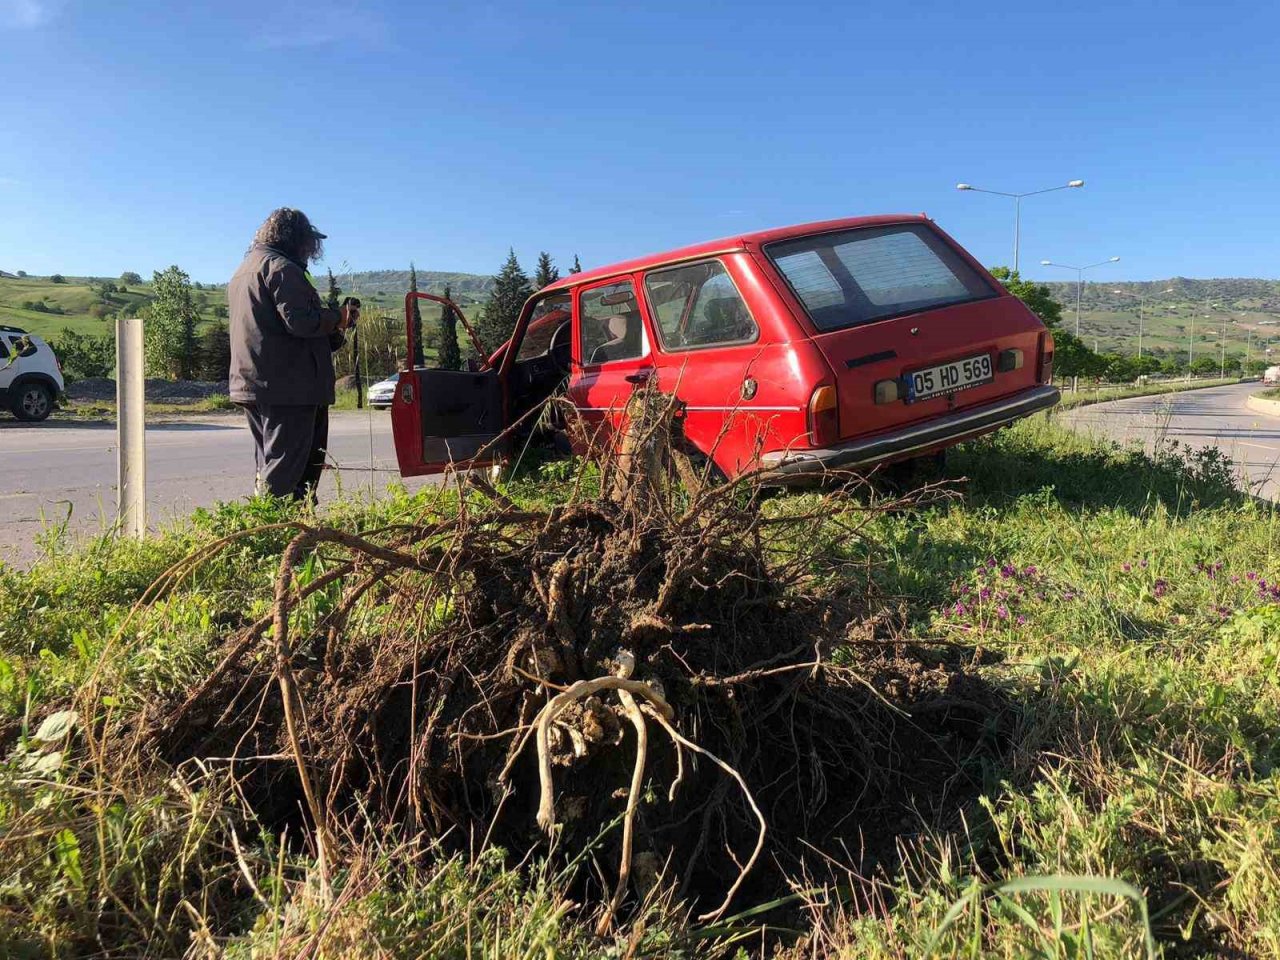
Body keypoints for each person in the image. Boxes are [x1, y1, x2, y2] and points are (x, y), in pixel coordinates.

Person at [228, 208, 358, 502]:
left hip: (259, 382)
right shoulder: (283, 268)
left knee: (271, 463)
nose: (312, 249)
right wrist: (336, 316)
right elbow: (301, 322)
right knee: (289, 470)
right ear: (295, 238)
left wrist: (335, 327)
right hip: (289, 388)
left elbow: (279, 330)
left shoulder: (246, 269)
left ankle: (279, 521)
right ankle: (279, 525)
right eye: (309, 241)